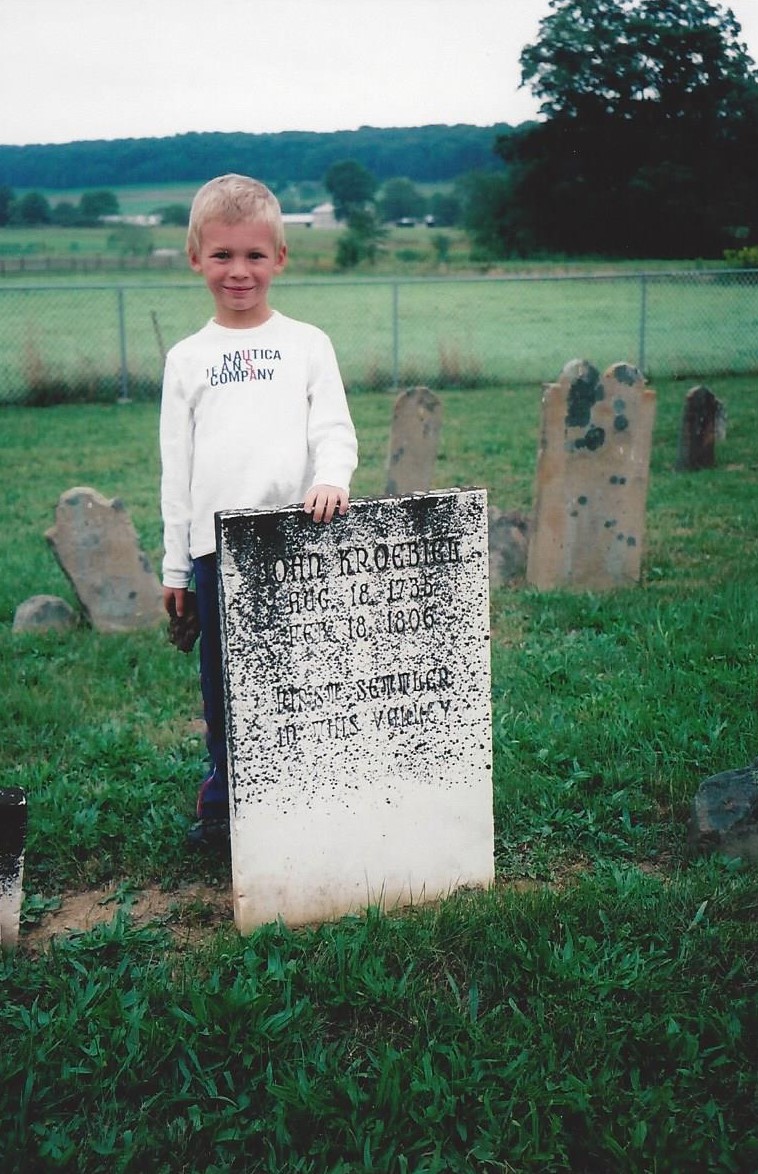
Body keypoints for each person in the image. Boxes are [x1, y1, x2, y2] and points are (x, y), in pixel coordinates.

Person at [159, 174, 358, 846]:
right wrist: (177, 569)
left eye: (253, 255)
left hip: (301, 539)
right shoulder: (187, 360)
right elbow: (177, 475)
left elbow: (333, 428)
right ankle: (224, 803)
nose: (238, 271)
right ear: (195, 258)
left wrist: (331, 478)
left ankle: (309, 787)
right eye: (221, 256)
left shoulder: (308, 344)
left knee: (301, 671)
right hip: (217, 549)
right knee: (224, 684)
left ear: (280, 257)